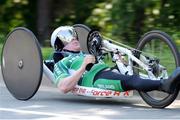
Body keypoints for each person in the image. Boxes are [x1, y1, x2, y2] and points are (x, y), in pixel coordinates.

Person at [50, 26, 180, 94]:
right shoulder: (61, 63)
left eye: (73, 35)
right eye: (67, 37)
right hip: (96, 79)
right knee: (131, 80)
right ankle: (164, 85)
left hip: (106, 71)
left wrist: (120, 62)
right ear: (59, 45)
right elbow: (63, 87)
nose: (73, 38)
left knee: (128, 65)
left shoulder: (85, 54)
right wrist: (83, 66)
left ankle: (167, 80)